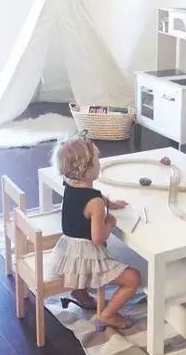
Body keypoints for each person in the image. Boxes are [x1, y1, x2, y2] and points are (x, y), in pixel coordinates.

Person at [50, 133, 142, 330]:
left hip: (68, 252)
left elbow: (90, 197)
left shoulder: (70, 185)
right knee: (134, 278)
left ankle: (80, 291)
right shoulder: (95, 203)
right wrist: (110, 221)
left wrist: (110, 203)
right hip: (87, 256)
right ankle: (107, 314)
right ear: (86, 169)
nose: (100, 163)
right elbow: (98, 238)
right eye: (97, 160)